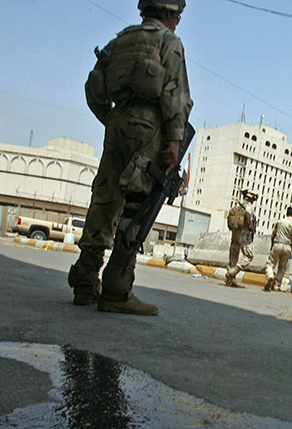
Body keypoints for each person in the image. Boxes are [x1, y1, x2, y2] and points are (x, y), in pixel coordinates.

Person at [68, 0, 193, 315]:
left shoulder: (120, 40)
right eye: (177, 16)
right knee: (137, 204)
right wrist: (175, 142)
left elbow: (94, 86)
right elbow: (175, 94)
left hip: (116, 121)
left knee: (105, 197)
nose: (177, 22)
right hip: (149, 126)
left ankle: (85, 280)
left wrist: (111, 119)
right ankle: (117, 289)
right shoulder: (168, 41)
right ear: (168, 13)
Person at [264, 207, 292, 291]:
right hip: (287, 247)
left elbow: (273, 235)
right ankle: (277, 285)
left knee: (270, 264)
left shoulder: (279, 222)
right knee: (282, 267)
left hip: (277, 245)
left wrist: (272, 246)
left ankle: (270, 276)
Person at [225, 189, 258, 287]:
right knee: (249, 255)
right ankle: (232, 272)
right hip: (244, 234)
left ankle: (230, 280)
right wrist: (251, 225)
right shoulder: (248, 207)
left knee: (234, 255)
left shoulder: (237, 206)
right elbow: (248, 213)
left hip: (235, 233)